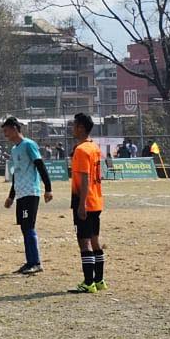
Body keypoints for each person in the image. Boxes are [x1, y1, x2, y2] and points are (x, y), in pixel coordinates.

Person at [0, 118, 54, 275]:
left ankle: (36, 262)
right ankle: (30, 261)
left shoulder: (29, 145)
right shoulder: (15, 150)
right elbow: (16, 174)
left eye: (6, 130)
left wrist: (48, 188)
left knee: (29, 226)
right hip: (21, 194)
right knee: (24, 227)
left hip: (31, 192)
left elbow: (40, 165)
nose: (5, 134)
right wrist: (11, 196)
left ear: (15, 129)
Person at [68, 113, 106, 294]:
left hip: (85, 199)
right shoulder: (95, 147)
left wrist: (81, 204)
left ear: (81, 127)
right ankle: (99, 281)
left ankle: (88, 282)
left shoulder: (81, 150)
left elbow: (85, 178)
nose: (72, 128)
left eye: (74, 125)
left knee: (84, 242)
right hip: (96, 199)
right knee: (95, 240)